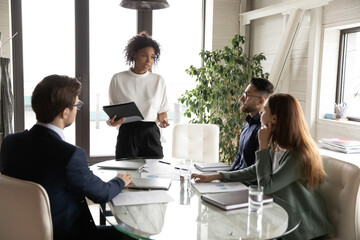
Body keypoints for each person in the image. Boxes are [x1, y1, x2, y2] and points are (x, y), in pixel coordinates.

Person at [0, 75, 134, 240]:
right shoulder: (69, 155)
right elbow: (102, 194)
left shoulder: (10, 142)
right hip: (65, 234)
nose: (77, 109)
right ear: (65, 112)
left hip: (18, 231)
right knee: (129, 233)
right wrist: (120, 180)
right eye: (77, 105)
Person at [192, 93, 333, 240]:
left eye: (264, 110)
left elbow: (266, 187)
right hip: (281, 218)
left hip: (304, 229)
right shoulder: (280, 146)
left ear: (274, 118)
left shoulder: (298, 155)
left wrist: (263, 145)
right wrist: (218, 176)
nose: (260, 112)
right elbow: (255, 170)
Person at [107, 31, 171, 159]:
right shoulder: (118, 79)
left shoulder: (159, 80)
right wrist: (112, 122)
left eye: (152, 57)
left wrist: (164, 121)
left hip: (151, 133)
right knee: (126, 174)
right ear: (134, 54)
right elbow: (113, 115)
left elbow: (162, 112)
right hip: (127, 133)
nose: (149, 61)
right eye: (144, 55)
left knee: (155, 173)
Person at [230, 77, 274, 170]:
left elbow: (257, 170)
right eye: (243, 94)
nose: (241, 99)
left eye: (247, 95)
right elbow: (239, 158)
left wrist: (225, 178)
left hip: (246, 183)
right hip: (235, 181)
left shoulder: (263, 130)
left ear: (260, 101)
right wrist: (224, 176)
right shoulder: (247, 124)